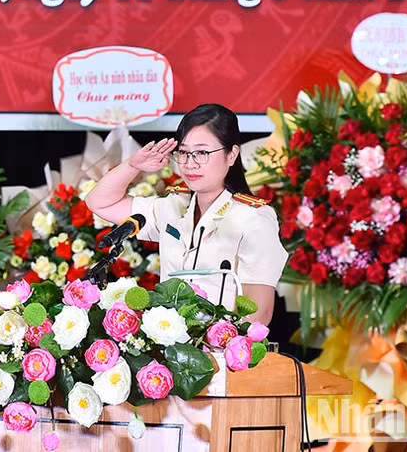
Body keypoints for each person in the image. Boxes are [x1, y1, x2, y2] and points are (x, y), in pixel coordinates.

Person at [85, 104, 287, 325]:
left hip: (220, 352)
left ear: (231, 155)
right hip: (167, 347)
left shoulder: (254, 218)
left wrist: (219, 351)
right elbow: (99, 202)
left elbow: (259, 313)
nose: (190, 164)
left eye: (202, 152)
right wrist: (133, 165)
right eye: (183, 152)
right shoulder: (172, 206)